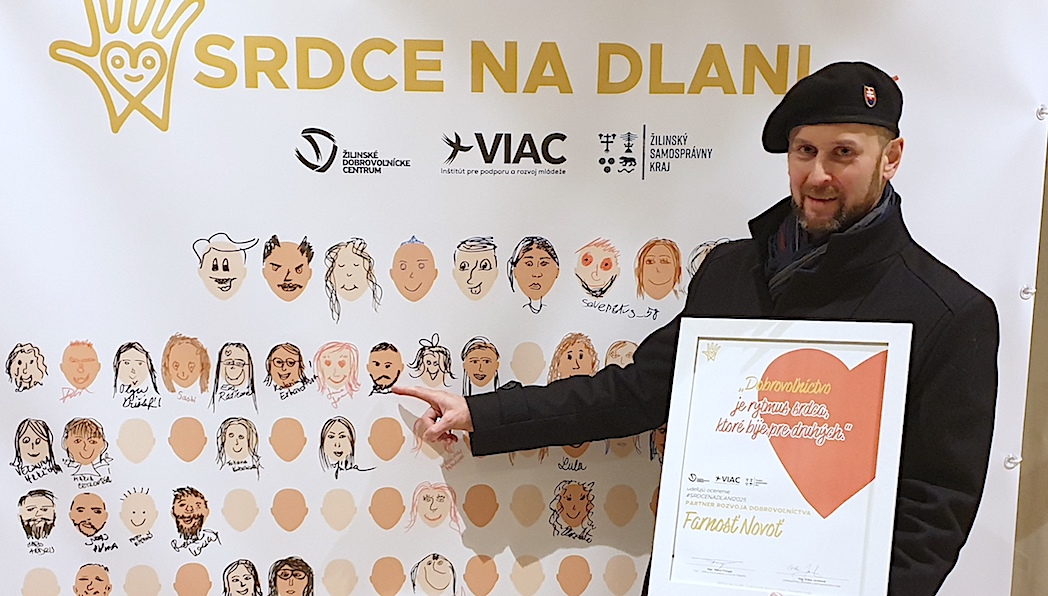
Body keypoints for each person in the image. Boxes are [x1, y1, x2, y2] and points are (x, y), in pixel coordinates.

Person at [396, 61, 999, 596]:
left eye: (843, 153)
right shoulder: (733, 270)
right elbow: (638, 391)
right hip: (699, 577)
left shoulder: (948, 314)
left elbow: (935, 510)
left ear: (891, 158)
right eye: (804, 151)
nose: (818, 174)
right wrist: (482, 413)